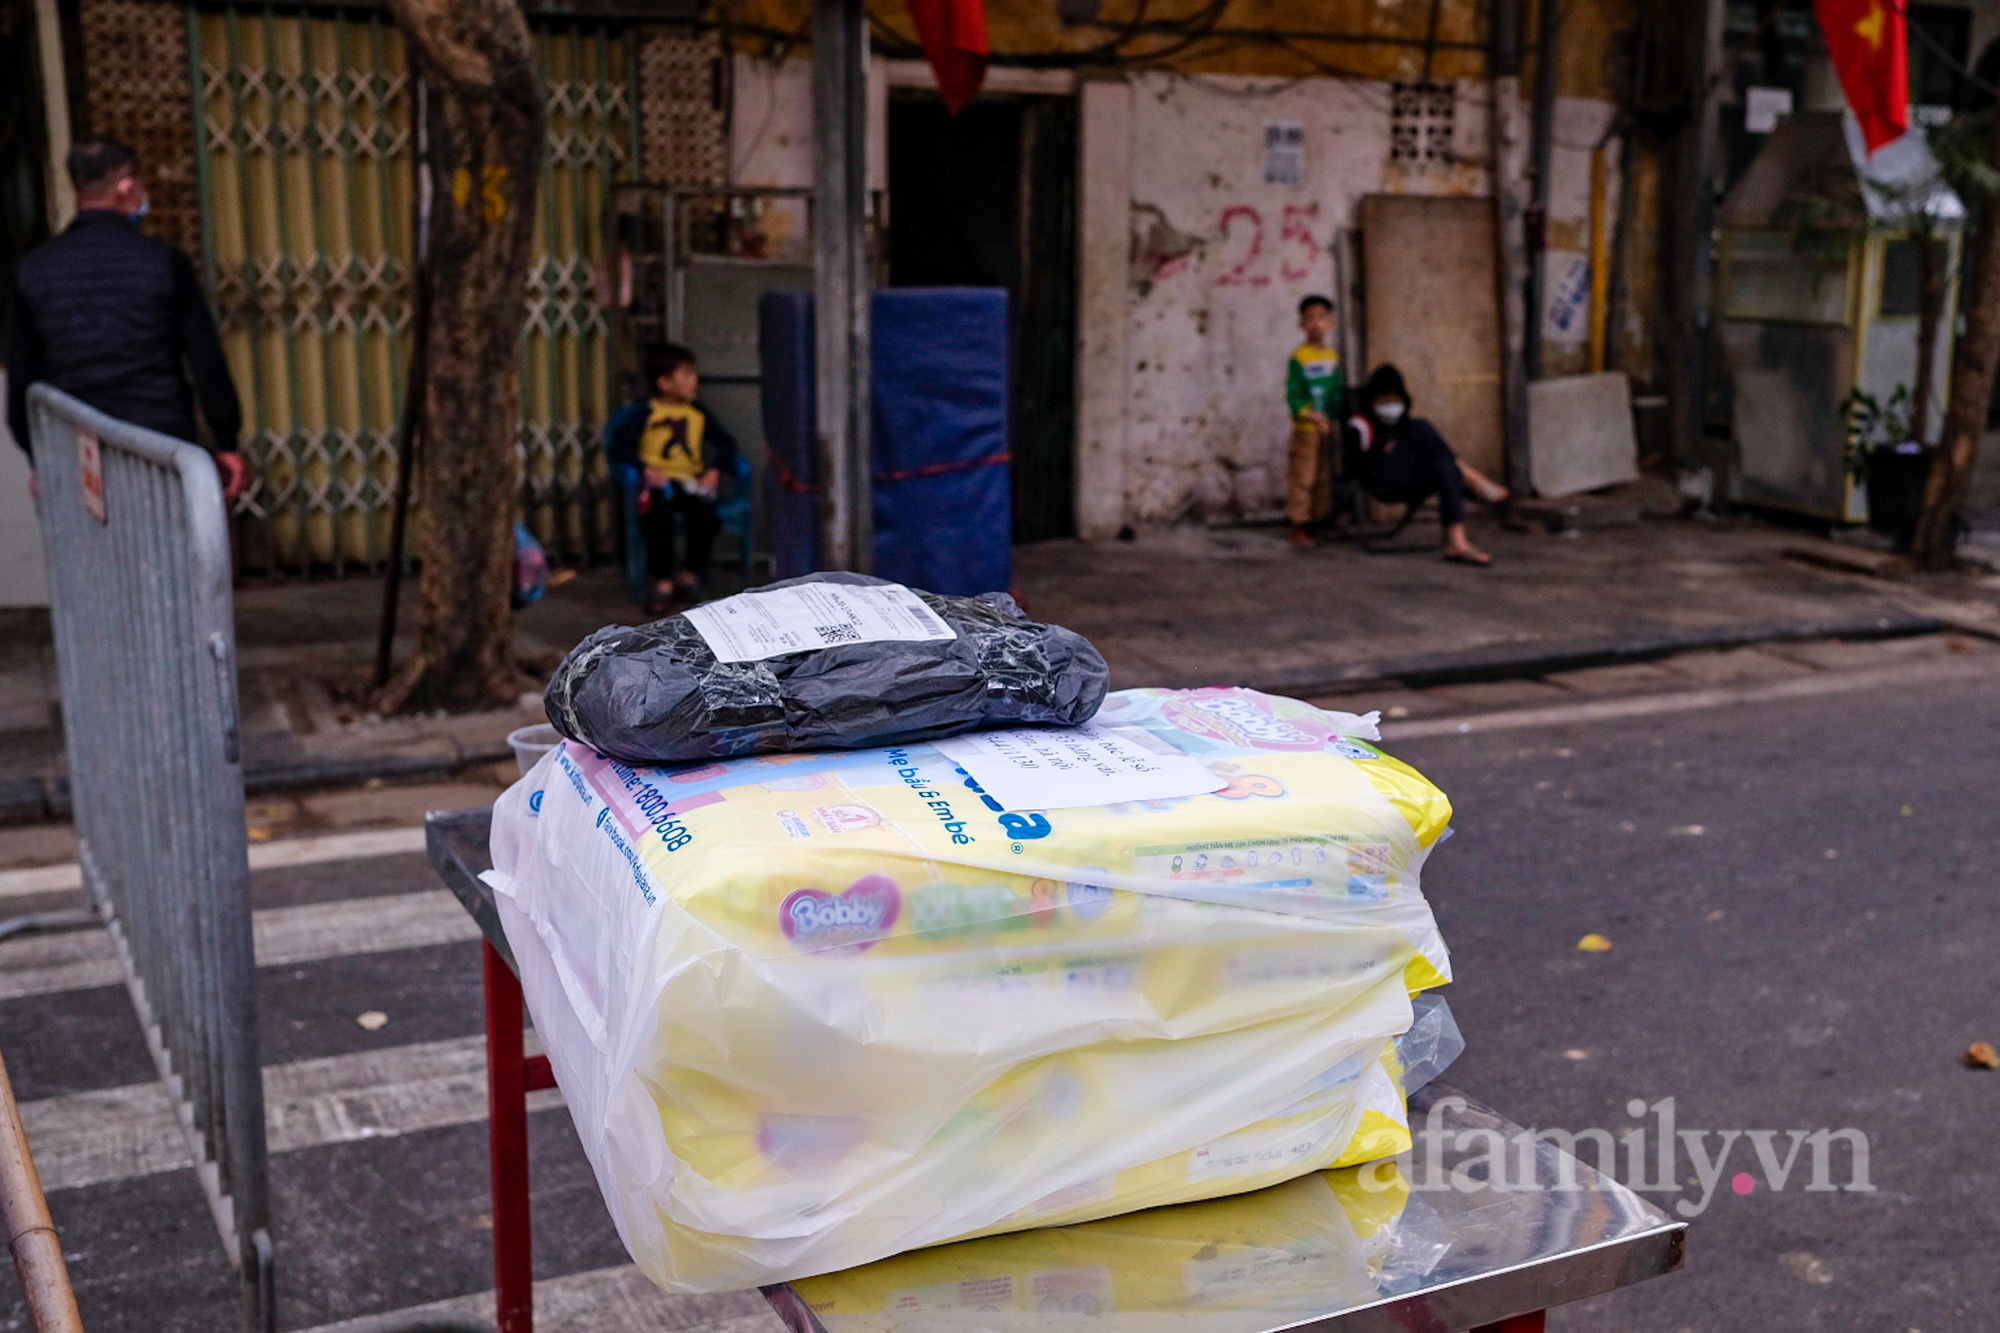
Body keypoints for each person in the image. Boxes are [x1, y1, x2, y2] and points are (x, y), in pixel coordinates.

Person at [5, 139, 247, 500]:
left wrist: (39, 458)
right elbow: (206, 361)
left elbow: (23, 383)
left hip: (76, 460)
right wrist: (226, 441)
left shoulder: (32, 272)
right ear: (127, 187)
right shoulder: (163, 263)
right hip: (160, 450)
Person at [606, 343, 738, 615]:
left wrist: (714, 471)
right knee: (656, 520)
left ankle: (688, 577)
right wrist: (644, 469)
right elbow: (620, 447)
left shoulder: (698, 414)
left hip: (690, 484)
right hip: (659, 486)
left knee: (705, 517)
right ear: (664, 382)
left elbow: (726, 443)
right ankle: (664, 582)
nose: (694, 381)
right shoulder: (645, 413)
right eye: (687, 374)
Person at [1344, 363, 1508, 566]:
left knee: (1444, 465)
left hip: (1409, 477)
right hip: (1383, 478)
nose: (1390, 405)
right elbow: (1352, 466)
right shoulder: (1360, 426)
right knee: (1421, 428)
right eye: (1384, 399)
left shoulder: (1404, 425)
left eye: (1395, 399)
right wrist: (1380, 451)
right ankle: (1474, 480)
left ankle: (1458, 541)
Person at [1284, 294, 1346, 548]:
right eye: (1309, 318)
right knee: (1303, 476)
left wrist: (1335, 416)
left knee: (1323, 476)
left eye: (1321, 317)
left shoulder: (1332, 357)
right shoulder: (1299, 358)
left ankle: (1320, 519)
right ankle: (1300, 522)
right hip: (1307, 428)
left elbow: (1337, 390)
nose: (1315, 324)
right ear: (1301, 323)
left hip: (1327, 427)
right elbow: (1293, 393)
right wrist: (1309, 414)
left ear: (1331, 322)